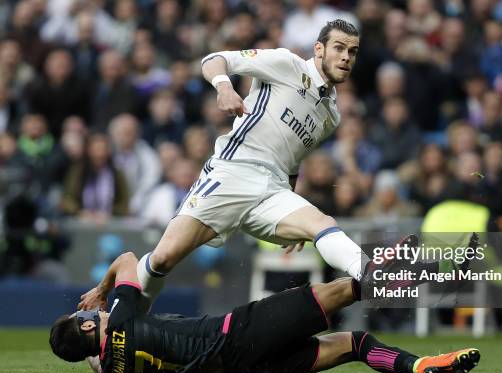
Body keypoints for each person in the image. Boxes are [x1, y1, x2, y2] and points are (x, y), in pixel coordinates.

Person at [110, 20, 401, 305]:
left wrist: (291, 203)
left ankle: (370, 272)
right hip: (234, 171)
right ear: (319, 49)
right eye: (339, 48)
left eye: (352, 52)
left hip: (272, 191)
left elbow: (292, 158)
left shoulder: (332, 114)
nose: (346, 57)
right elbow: (214, 59)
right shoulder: (286, 63)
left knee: (321, 224)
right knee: (163, 258)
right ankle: (120, 322)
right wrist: (224, 88)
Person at [50, 252, 480, 373]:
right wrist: (103, 290)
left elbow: (93, 359)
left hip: (247, 368)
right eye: (88, 315)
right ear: (88, 324)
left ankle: (421, 365)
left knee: (354, 345)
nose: (98, 313)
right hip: (241, 331)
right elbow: (127, 258)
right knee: (348, 288)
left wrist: (89, 342)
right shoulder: (120, 318)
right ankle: (441, 276)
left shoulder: (112, 368)